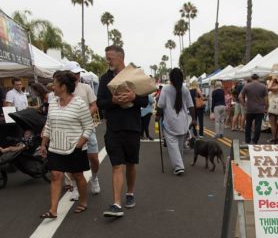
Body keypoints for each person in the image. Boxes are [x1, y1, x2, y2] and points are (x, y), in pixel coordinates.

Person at [97, 45, 148, 218]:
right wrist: (112, 101)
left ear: (121, 57)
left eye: (110, 57)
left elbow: (145, 101)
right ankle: (117, 204)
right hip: (113, 128)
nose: (108, 60)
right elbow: (100, 103)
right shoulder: (104, 79)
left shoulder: (134, 75)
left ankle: (130, 193)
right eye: (107, 57)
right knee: (117, 165)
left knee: (131, 164)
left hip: (132, 127)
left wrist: (134, 97)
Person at [39, 71, 94, 219]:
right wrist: (43, 144)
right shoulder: (52, 103)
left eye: (54, 85)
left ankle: (83, 201)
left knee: (78, 176)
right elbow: (49, 125)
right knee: (56, 175)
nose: (52, 87)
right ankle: (53, 210)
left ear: (63, 86)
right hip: (56, 147)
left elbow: (89, 126)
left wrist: (79, 144)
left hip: (74, 147)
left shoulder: (79, 104)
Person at [64, 61, 101, 198]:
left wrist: (83, 116)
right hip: (69, 131)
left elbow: (93, 105)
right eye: (74, 73)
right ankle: (75, 186)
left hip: (87, 128)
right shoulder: (62, 89)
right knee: (72, 160)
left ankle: (95, 178)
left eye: (78, 73)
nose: (77, 76)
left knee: (94, 158)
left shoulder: (86, 87)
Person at [156, 68, 196, 175]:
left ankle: (179, 166)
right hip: (183, 122)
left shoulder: (165, 89)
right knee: (179, 145)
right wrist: (194, 119)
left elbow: (160, 105)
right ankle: (179, 164)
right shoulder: (185, 90)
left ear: (170, 78)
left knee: (173, 145)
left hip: (170, 122)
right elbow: (191, 106)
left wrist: (158, 115)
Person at [239, 74, 268, 144]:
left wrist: (244, 105)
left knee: (248, 125)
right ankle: (255, 141)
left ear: (251, 78)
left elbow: (240, 96)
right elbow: (266, 99)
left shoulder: (247, 86)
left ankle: (247, 141)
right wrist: (266, 107)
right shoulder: (263, 86)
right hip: (260, 109)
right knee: (258, 126)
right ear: (258, 78)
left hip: (249, 109)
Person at [267, 75, 278, 143]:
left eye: (271, 81)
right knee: (274, 122)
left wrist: (273, 80)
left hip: (274, 105)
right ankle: (277, 137)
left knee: (272, 122)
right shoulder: (277, 87)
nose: (270, 82)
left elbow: (268, 88)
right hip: (275, 104)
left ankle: (274, 138)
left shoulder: (276, 87)